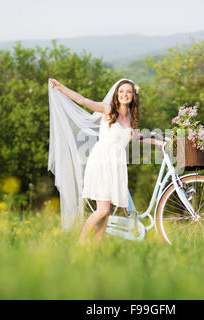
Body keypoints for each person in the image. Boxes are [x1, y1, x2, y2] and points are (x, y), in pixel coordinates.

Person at [48, 78, 162, 245]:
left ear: (133, 96)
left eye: (128, 92)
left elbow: (135, 137)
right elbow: (83, 100)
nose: (125, 94)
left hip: (116, 166)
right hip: (102, 162)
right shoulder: (108, 109)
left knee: (106, 212)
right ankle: (80, 244)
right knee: (102, 210)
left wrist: (157, 142)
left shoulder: (130, 116)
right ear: (116, 94)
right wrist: (61, 87)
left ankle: (94, 250)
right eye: (121, 91)